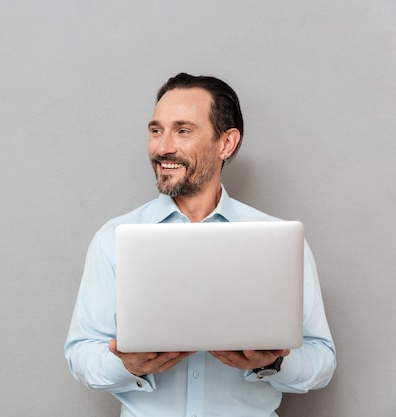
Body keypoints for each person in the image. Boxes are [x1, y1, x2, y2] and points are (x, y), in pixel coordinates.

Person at [64, 73, 336, 417]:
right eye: (156, 130)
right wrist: (128, 366)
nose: (162, 147)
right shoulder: (113, 238)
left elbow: (322, 359)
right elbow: (81, 354)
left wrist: (274, 364)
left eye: (182, 130)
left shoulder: (278, 239)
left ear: (226, 143)